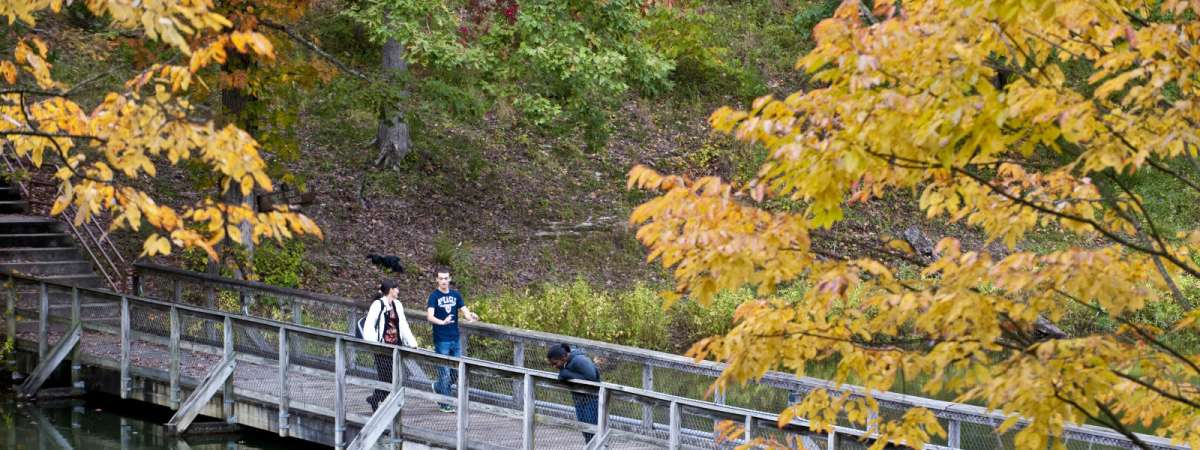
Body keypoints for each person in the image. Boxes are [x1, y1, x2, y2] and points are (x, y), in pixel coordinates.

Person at [426, 268, 478, 413]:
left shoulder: (456, 295)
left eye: (446, 278)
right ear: (437, 280)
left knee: (456, 371)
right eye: (441, 278)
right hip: (441, 339)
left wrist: (471, 316)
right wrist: (442, 322)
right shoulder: (434, 296)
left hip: (455, 338)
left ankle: (438, 387)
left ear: (449, 279)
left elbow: (464, 310)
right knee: (444, 372)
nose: (443, 281)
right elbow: (429, 316)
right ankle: (445, 403)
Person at [363, 279, 418, 411]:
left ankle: (376, 399)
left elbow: (403, 325)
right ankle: (386, 404)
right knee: (386, 376)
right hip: (382, 347)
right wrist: (373, 344)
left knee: (391, 377)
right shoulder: (378, 305)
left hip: (395, 346)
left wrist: (412, 343)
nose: (398, 291)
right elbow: (369, 325)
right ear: (390, 290)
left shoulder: (397, 305)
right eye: (396, 288)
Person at [547, 343, 601, 444]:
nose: (554, 367)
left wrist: (566, 374)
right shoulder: (566, 364)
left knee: (592, 431)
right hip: (580, 400)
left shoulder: (579, 360)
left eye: (555, 363)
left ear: (563, 357)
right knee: (585, 430)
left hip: (592, 400)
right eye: (552, 364)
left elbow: (593, 378)